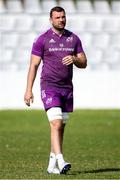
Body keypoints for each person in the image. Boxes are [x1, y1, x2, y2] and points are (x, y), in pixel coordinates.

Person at [24, 6, 87, 175]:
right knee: (56, 123)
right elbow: (34, 65)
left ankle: (52, 164)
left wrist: (74, 59)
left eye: (63, 17)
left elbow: (84, 62)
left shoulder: (73, 39)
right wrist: (28, 90)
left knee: (61, 126)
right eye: (58, 17)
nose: (61, 20)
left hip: (66, 88)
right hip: (49, 86)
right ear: (51, 19)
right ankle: (60, 159)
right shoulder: (42, 39)